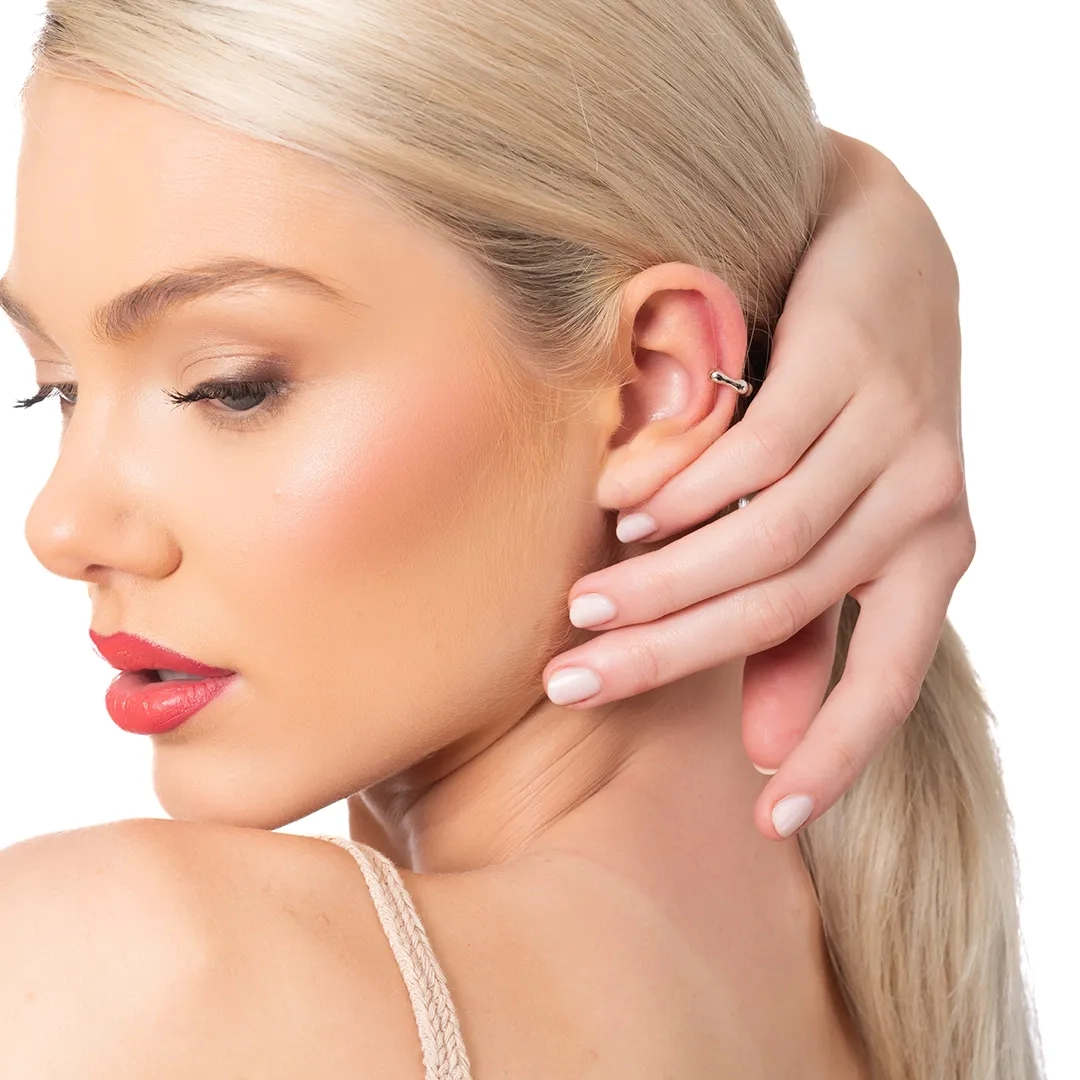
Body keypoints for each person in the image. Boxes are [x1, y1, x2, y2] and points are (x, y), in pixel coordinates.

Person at [0, 1, 1043, 1078]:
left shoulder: (140, 976)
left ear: (650, 389)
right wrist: (859, 201)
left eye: (230, 386)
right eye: (55, 388)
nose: (59, 527)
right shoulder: (904, 1023)